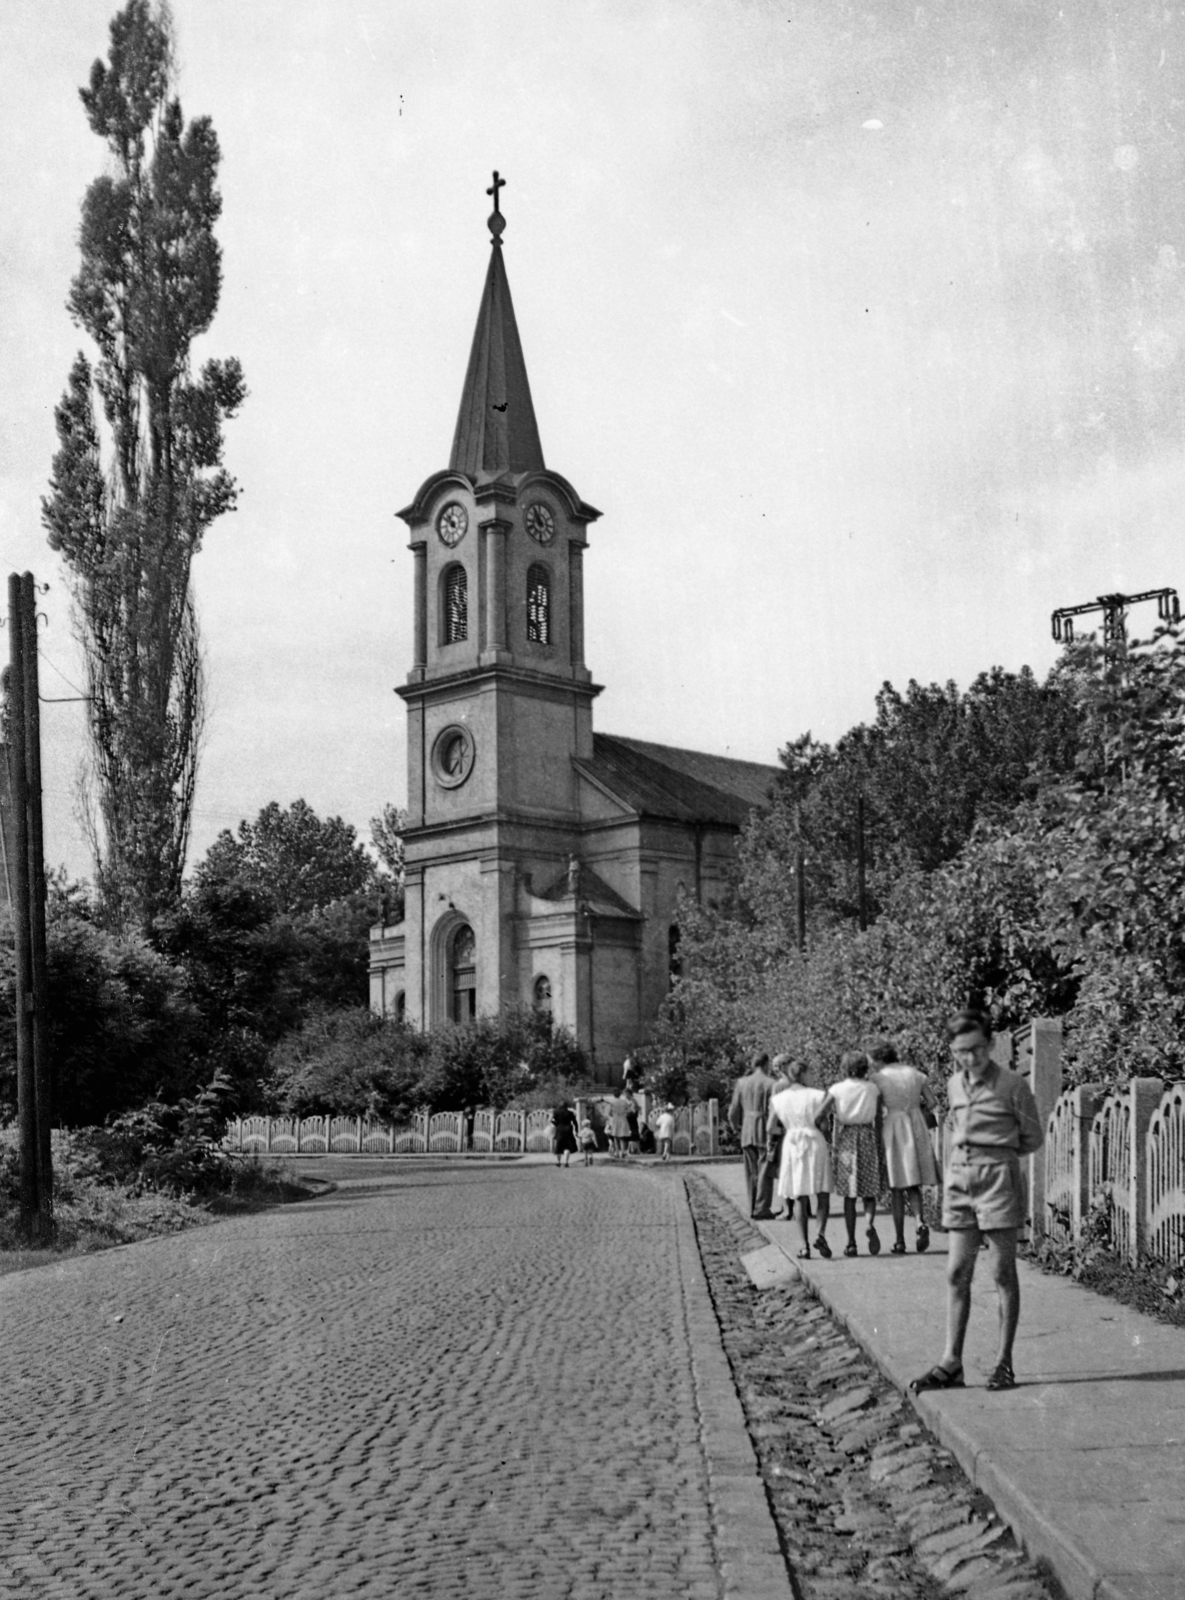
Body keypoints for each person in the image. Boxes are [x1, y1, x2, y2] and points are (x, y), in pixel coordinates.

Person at [910, 1009, 1044, 1394]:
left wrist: (996, 1153)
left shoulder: (1013, 1085)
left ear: (990, 1044)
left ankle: (1004, 1364)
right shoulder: (953, 1084)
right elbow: (953, 1125)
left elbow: (1032, 1137)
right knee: (956, 1273)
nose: (970, 1058)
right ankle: (951, 1363)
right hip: (959, 1184)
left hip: (998, 1181)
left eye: (977, 1049)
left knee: (1002, 1272)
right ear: (953, 1051)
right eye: (961, 1051)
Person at [869, 1039, 939, 1254]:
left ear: (880, 1058)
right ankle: (919, 1221)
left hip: (894, 1125)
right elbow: (933, 1101)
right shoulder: (914, 1073)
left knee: (896, 1186)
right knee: (913, 1181)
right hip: (916, 1124)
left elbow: (874, 1107)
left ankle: (900, 1240)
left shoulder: (879, 1078)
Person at [766, 1058, 834, 1259]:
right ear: (803, 1074)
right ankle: (820, 1233)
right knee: (822, 1192)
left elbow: (770, 1127)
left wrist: (788, 1129)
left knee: (799, 1195)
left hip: (792, 1142)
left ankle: (804, 1245)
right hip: (814, 1140)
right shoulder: (818, 1095)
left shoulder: (779, 1099)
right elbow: (823, 1126)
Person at [829, 1050, 887, 1257]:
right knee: (869, 1190)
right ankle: (869, 1223)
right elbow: (879, 1117)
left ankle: (851, 1241)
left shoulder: (837, 1089)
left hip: (847, 1137)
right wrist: (879, 1142)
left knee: (849, 1194)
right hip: (867, 1135)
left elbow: (830, 1114)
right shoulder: (873, 1088)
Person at [728, 1051, 778, 1218]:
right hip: (764, 1128)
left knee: (751, 1171)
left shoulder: (742, 1083)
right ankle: (762, 1207)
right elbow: (774, 1110)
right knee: (765, 1170)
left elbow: (733, 1110)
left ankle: (752, 1207)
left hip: (747, 1130)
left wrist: (735, 1127)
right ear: (766, 1064)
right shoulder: (771, 1084)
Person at [550, 1101, 578, 1168]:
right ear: (566, 1106)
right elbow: (575, 1122)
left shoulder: (556, 1112)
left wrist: (557, 1124)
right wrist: (576, 1130)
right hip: (568, 1129)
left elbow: (551, 1120)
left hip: (559, 1130)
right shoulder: (570, 1113)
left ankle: (559, 1162)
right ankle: (566, 1162)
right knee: (567, 1147)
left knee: (559, 1146)